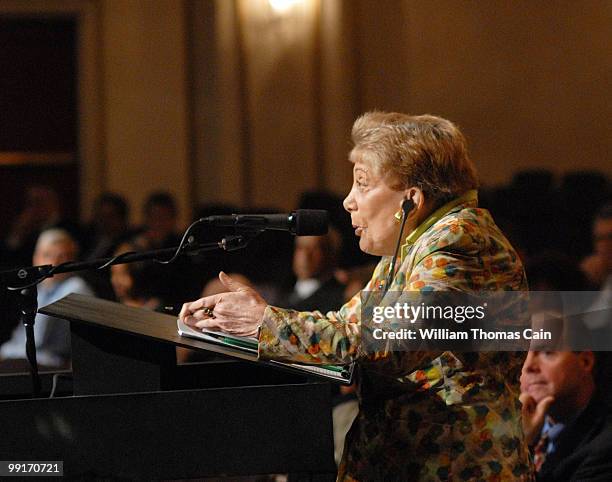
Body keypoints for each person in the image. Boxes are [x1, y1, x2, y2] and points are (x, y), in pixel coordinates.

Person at [180, 112, 532, 480]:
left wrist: (265, 323)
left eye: (362, 184)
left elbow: (389, 340)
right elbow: (345, 327)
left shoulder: (459, 243)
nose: (348, 201)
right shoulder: (411, 247)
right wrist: (244, 321)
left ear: (411, 199)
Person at [0, 228, 93, 370]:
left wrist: (7, 354)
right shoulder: (41, 288)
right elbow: (20, 339)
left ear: (73, 260)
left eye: (62, 256)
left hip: (53, 367)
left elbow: (39, 344)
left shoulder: (76, 289)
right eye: (47, 255)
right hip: (28, 361)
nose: (53, 263)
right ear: (35, 258)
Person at [520, 350, 612, 481]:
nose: (527, 365)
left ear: (585, 362)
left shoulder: (605, 447)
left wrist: (519, 445)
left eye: (547, 352)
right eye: (521, 355)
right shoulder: (525, 425)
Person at [284, 229, 345, 313]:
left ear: (330, 255)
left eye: (315, 249)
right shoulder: (281, 292)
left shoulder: (342, 299)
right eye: (300, 247)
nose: (305, 256)